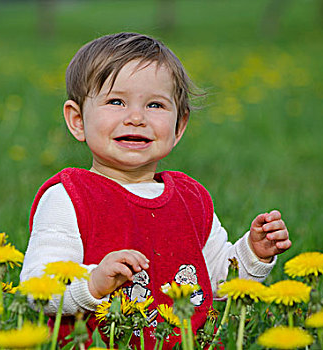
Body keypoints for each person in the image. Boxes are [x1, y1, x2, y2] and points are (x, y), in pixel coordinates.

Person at [20, 32, 291, 348]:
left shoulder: (191, 199)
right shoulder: (69, 197)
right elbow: (36, 291)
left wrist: (253, 254)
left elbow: (219, 283)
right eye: (116, 101)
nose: (136, 118)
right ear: (78, 120)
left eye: (155, 105)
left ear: (179, 126)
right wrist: (92, 284)